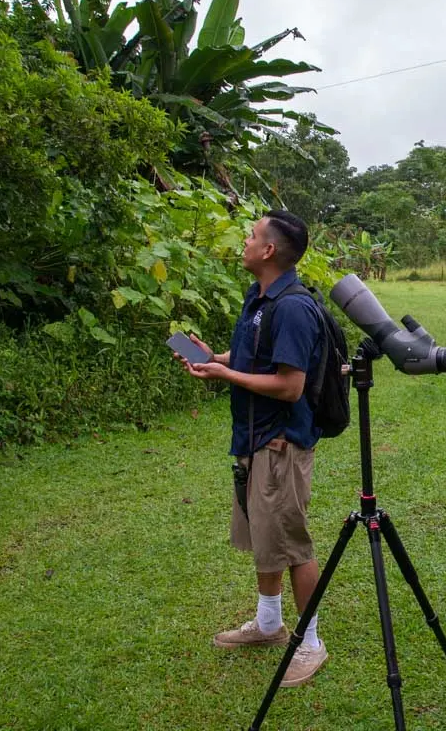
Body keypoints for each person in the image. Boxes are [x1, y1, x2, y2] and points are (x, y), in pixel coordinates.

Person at [175, 209, 328, 687]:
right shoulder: (260, 298)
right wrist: (215, 358)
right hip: (253, 438)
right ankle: (268, 625)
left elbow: (289, 386)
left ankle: (311, 642)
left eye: (253, 235)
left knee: (291, 541)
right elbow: (256, 359)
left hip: (280, 443)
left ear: (268, 251)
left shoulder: (294, 308)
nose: (245, 239)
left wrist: (226, 375)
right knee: (264, 536)